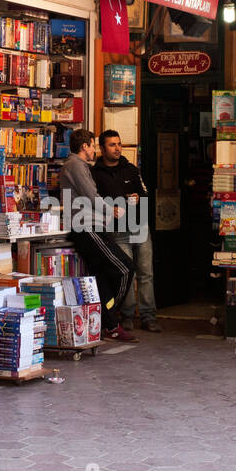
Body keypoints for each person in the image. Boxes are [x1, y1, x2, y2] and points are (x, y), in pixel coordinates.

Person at [60, 129, 137, 342]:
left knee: (101, 277)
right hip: (87, 227)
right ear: (85, 146)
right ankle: (107, 315)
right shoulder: (76, 165)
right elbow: (90, 195)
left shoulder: (80, 166)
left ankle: (110, 324)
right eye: (93, 145)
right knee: (125, 268)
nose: (95, 150)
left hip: (92, 226)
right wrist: (110, 210)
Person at [92, 129, 160, 332]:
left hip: (140, 226)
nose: (117, 148)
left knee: (146, 273)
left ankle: (149, 316)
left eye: (119, 144)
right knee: (127, 274)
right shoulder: (95, 174)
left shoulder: (131, 169)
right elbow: (93, 200)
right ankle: (127, 315)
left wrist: (139, 198)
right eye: (112, 145)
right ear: (102, 149)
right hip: (116, 230)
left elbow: (146, 193)